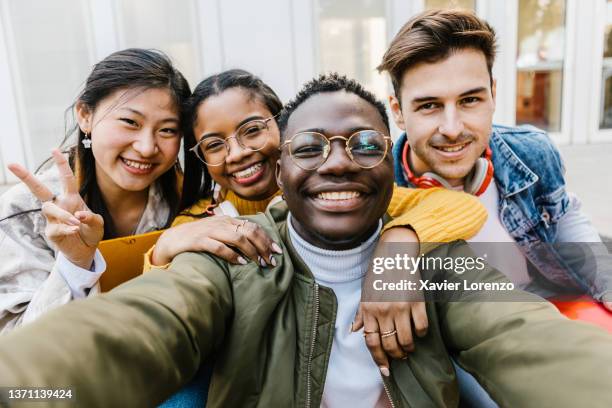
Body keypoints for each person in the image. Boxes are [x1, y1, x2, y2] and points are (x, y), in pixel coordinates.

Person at [1, 74, 611, 408]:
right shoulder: (225, 244)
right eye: (313, 147)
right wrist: (22, 387)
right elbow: (141, 328)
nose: (338, 163)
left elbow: (526, 335)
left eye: (366, 145)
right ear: (287, 164)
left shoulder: (428, 243)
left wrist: (399, 250)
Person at [143, 69, 487, 373]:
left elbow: (460, 206)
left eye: (251, 130)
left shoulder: (339, 196)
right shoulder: (200, 219)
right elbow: (169, 306)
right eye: (214, 145)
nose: (237, 153)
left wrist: (398, 244)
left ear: (286, 126)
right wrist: (162, 251)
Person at [378, 9, 612, 310]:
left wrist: (606, 281)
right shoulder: (378, 189)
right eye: (429, 105)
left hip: (543, 303)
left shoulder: (532, 152)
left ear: (493, 94)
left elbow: (565, 217)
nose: (452, 129)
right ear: (397, 111)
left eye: (470, 100)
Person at [0, 48, 190, 333]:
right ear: (85, 115)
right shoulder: (26, 209)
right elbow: (16, 343)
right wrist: (75, 263)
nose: (147, 147)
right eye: (130, 122)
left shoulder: (188, 200)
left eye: (167, 130)